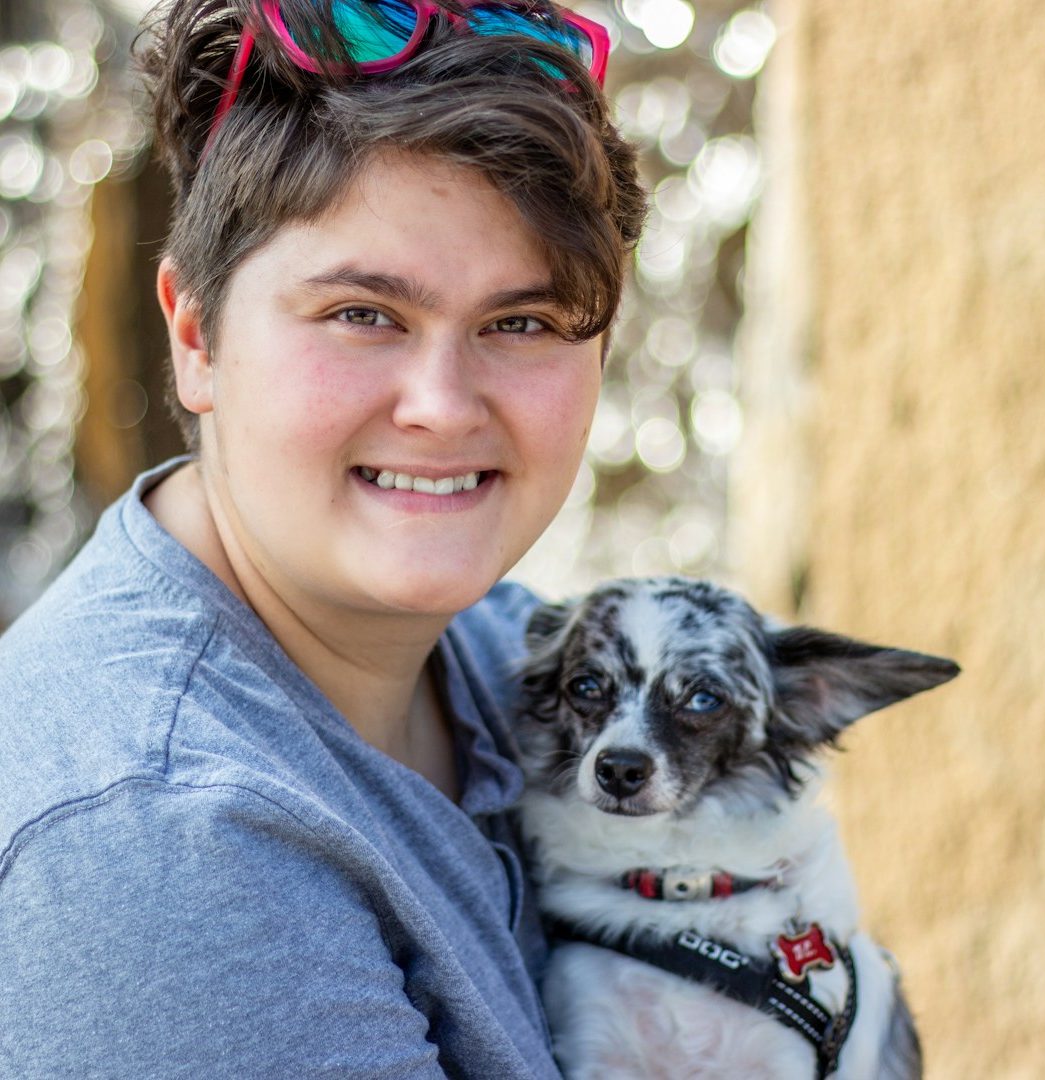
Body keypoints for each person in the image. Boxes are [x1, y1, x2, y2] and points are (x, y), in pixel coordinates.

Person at [0, 1, 646, 1075]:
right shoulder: (164, 844)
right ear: (195, 335)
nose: (442, 406)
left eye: (520, 323)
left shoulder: (519, 659)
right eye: (363, 314)